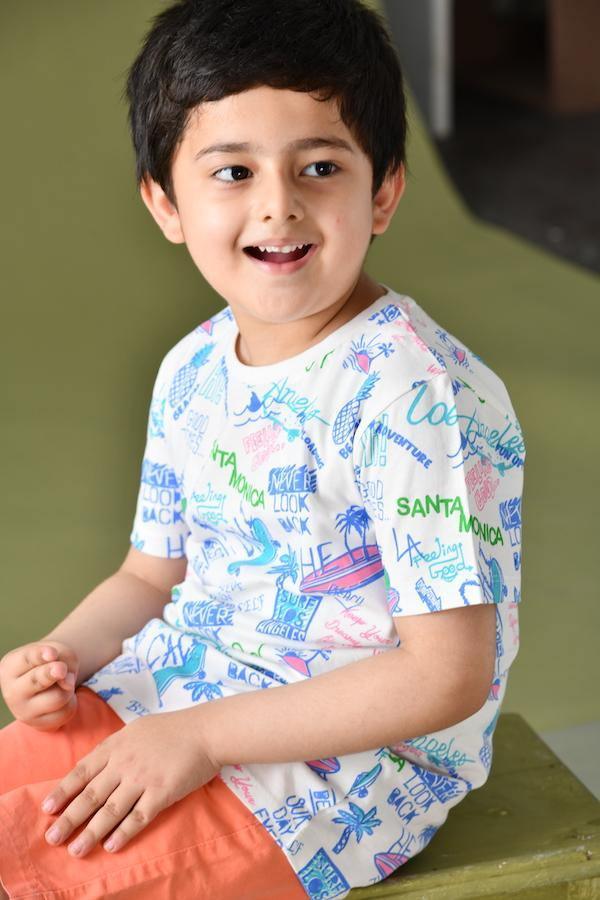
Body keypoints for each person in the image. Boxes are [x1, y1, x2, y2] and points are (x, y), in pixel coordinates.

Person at [0, 0, 526, 896]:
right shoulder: (192, 367)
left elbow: (445, 678)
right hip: (170, 695)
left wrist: (202, 738)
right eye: (233, 171)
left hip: (341, 774)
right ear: (166, 203)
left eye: (320, 166)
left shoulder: (414, 395)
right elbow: (148, 579)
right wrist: (63, 656)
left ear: (383, 192)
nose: (279, 205)